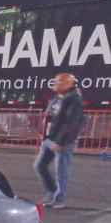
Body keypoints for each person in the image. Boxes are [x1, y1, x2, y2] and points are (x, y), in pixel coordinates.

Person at [34, 73, 84, 209]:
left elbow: (71, 123)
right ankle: (52, 192)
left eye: (58, 82)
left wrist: (60, 141)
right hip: (51, 138)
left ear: (68, 83)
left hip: (63, 141)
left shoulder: (74, 99)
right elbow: (52, 117)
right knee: (40, 165)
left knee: (61, 171)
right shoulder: (58, 97)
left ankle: (59, 199)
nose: (55, 84)